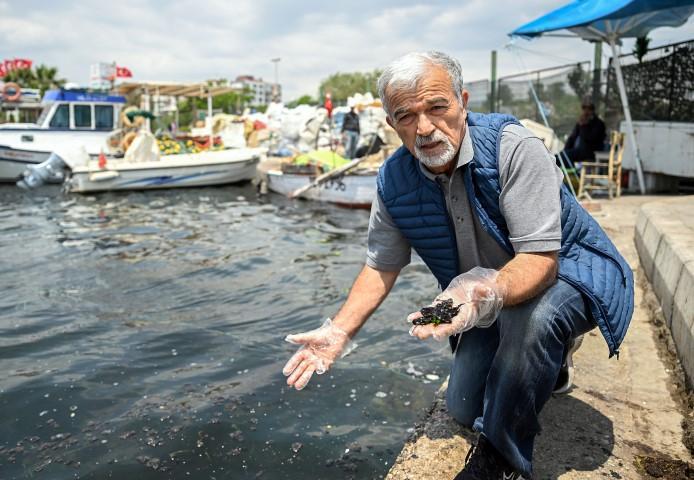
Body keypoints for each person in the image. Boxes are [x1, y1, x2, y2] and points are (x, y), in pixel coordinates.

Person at [282, 52, 633, 480]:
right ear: (392, 124)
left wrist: (483, 292)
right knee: (464, 408)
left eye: (437, 107)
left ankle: (503, 460)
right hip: (483, 297)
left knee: (538, 317)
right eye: (406, 115)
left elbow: (541, 261)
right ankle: (549, 361)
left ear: (462, 101)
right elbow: (380, 266)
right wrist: (339, 331)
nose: (425, 127)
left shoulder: (512, 148)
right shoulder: (393, 180)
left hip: (571, 274)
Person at [562, 99, 606, 167]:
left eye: (589, 108)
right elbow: (572, 138)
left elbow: (590, 138)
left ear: (592, 110)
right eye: (584, 108)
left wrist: (584, 126)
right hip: (578, 151)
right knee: (559, 156)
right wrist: (564, 151)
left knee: (567, 156)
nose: (586, 111)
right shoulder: (581, 123)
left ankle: (574, 174)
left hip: (590, 152)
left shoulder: (598, 124)